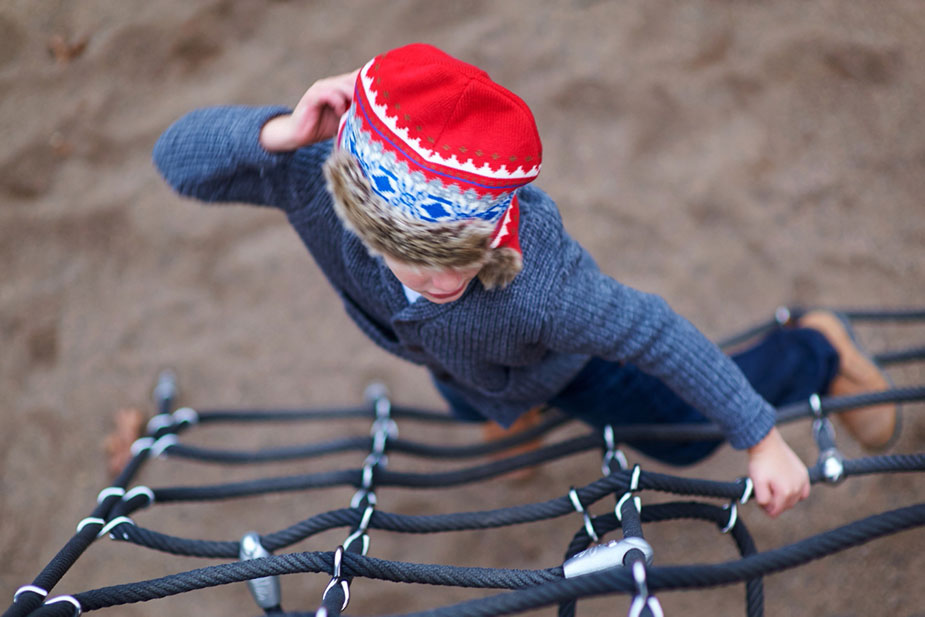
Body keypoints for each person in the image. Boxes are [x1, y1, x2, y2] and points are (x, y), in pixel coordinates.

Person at [153, 43, 897, 518]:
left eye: (456, 253)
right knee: (458, 372)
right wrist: (276, 131)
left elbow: (656, 331)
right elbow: (177, 162)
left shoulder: (544, 289)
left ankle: (817, 351)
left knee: (680, 438)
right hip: (463, 360)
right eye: (405, 253)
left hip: (572, 368)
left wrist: (760, 436)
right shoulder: (314, 181)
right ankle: (509, 408)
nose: (433, 274)